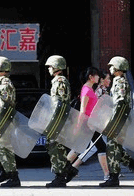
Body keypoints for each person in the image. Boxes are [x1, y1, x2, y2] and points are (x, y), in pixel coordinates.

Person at [99, 56, 134, 187]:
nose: (110, 68)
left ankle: (114, 178)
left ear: (118, 68)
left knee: (111, 147)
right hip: (120, 120)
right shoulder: (118, 81)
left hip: (119, 120)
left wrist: (112, 121)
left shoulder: (120, 82)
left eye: (112, 66)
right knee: (116, 148)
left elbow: (119, 103)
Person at [66, 67, 109, 181]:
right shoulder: (86, 90)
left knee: (82, 147)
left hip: (92, 124)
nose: (99, 77)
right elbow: (83, 110)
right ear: (91, 76)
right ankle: (107, 175)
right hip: (88, 125)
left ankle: (63, 169)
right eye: (96, 75)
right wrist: (78, 126)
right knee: (99, 147)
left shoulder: (90, 89)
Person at [0, 56, 21, 187]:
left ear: (0, 69)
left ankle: (13, 177)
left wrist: (0, 124)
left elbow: (5, 106)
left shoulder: (5, 85)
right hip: (2, 121)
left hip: (4, 122)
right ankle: (4, 170)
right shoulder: (1, 84)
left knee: (5, 148)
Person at [44, 55, 77, 187]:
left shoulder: (60, 82)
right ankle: (68, 170)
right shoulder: (58, 81)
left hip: (59, 120)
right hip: (60, 119)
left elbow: (59, 104)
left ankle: (60, 177)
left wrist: (54, 121)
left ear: (57, 67)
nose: (49, 69)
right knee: (57, 147)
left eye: (51, 66)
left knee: (55, 146)